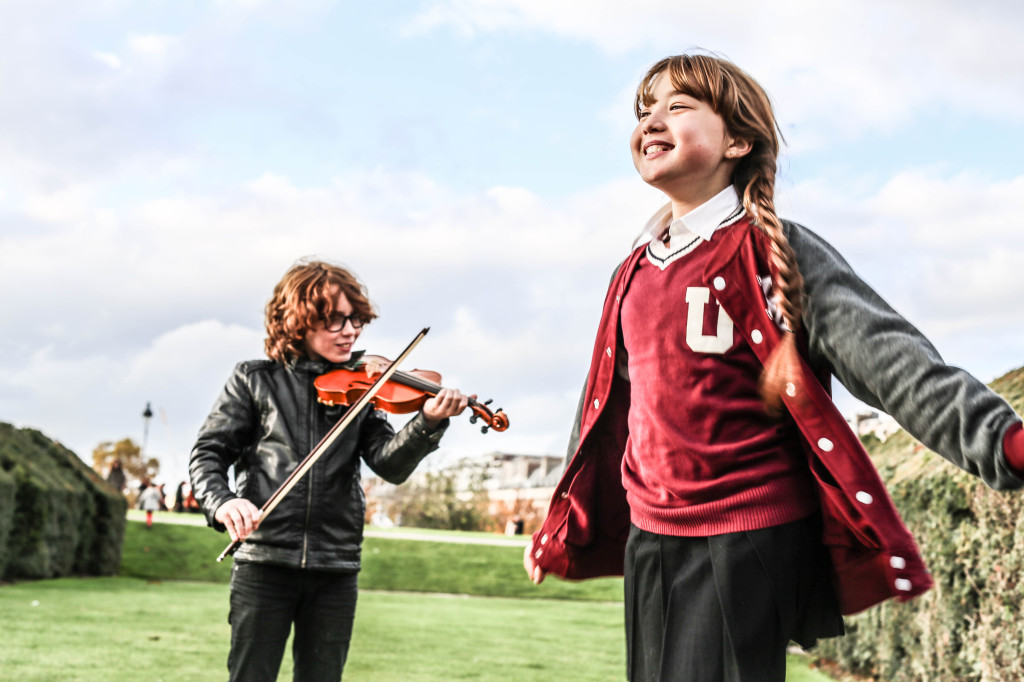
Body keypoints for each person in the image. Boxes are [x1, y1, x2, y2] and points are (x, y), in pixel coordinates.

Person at [523, 53, 1024, 682]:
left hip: (747, 533)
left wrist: (1003, 441)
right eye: (643, 109)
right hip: (651, 537)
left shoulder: (775, 250)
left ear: (737, 139)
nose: (651, 120)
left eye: (677, 106)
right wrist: (561, 519)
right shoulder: (631, 274)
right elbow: (602, 412)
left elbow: (895, 363)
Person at [189, 259, 470, 682]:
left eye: (356, 320)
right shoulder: (254, 379)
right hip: (265, 561)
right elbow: (208, 454)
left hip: (335, 566)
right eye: (335, 320)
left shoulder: (366, 384)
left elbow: (389, 464)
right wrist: (224, 502)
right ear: (298, 321)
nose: (350, 331)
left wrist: (426, 424)